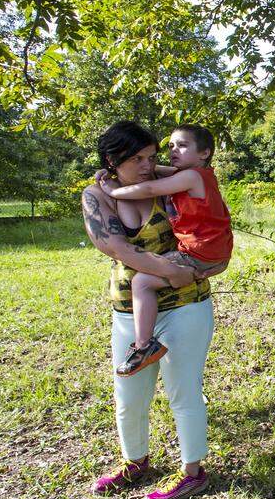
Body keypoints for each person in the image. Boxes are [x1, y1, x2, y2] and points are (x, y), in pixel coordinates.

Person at [81, 121, 222, 499]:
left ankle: (193, 473)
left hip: (185, 305)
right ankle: (135, 463)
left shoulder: (170, 182)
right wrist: (173, 271)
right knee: (128, 393)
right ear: (113, 160)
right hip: (130, 308)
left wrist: (190, 271)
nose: (148, 165)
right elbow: (117, 249)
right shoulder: (98, 195)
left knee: (184, 391)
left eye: (152, 157)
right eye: (138, 158)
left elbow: (208, 230)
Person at [96, 124, 234, 377]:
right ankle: (144, 343)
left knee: (141, 284)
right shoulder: (199, 174)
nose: (173, 151)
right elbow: (159, 172)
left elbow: (148, 188)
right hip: (211, 249)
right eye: (170, 146)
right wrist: (115, 172)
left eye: (182, 145)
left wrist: (113, 190)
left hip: (197, 255)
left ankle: (143, 345)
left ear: (204, 153)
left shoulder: (189, 177)